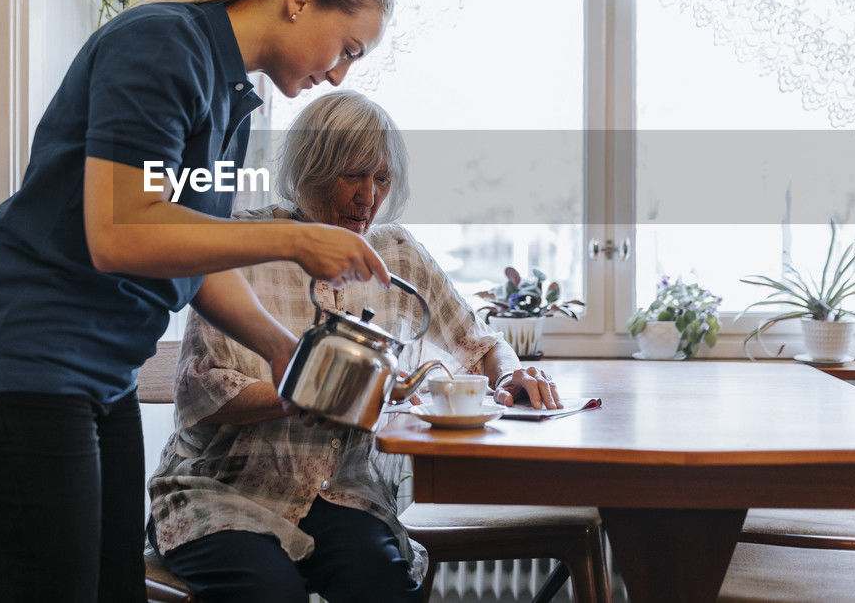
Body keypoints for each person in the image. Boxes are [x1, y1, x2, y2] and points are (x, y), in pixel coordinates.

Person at [0, 0, 398, 603]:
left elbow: (187, 250)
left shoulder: (231, 95)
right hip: (15, 369)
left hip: (95, 379)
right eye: (347, 49)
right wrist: (295, 238)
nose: (338, 74)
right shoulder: (161, 45)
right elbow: (120, 233)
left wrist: (278, 347)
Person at [148, 91, 561, 603]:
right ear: (310, 170)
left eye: (382, 179)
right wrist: (303, 394)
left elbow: (476, 341)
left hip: (343, 495)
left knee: (382, 588)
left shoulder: (397, 255)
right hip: (225, 491)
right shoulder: (246, 244)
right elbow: (200, 392)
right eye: (352, 175)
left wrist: (509, 374)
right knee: (268, 592)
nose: (369, 196)